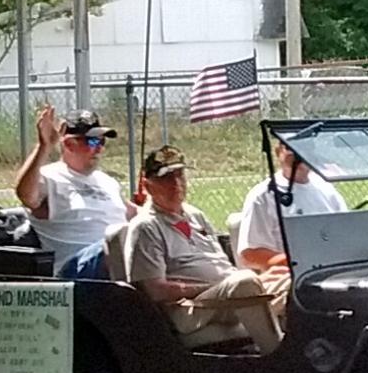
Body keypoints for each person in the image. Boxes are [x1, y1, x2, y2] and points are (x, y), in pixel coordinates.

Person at [124, 145, 282, 354]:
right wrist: (212, 286)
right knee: (243, 282)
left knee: (289, 278)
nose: (176, 184)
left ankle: (318, 355)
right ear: (147, 185)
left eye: (180, 175)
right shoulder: (145, 227)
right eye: (166, 178)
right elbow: (155, 290)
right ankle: (281, 359)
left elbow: (219, 264)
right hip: (191, 308)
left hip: (227, 295)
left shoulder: (196, 216)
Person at [14, 105, 135, 274]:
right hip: (76, 269)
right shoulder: (50, 177)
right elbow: (26, 195)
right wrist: (44, 147)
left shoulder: (107, 182)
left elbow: (137, 214)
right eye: (93, 141)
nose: (100, 148)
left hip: (117, 259)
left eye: (102, 141)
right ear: (70, 144)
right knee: (116, 248)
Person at [237, 141, 347, 272]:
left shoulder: (327, 189)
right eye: (290, 148)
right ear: (278, 152)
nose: (299, 152)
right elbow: (250, 254)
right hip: (291, 277)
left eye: (306, 147)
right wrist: (299, 262)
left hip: (334, 270)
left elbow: (346, 234)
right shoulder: (264, 195)